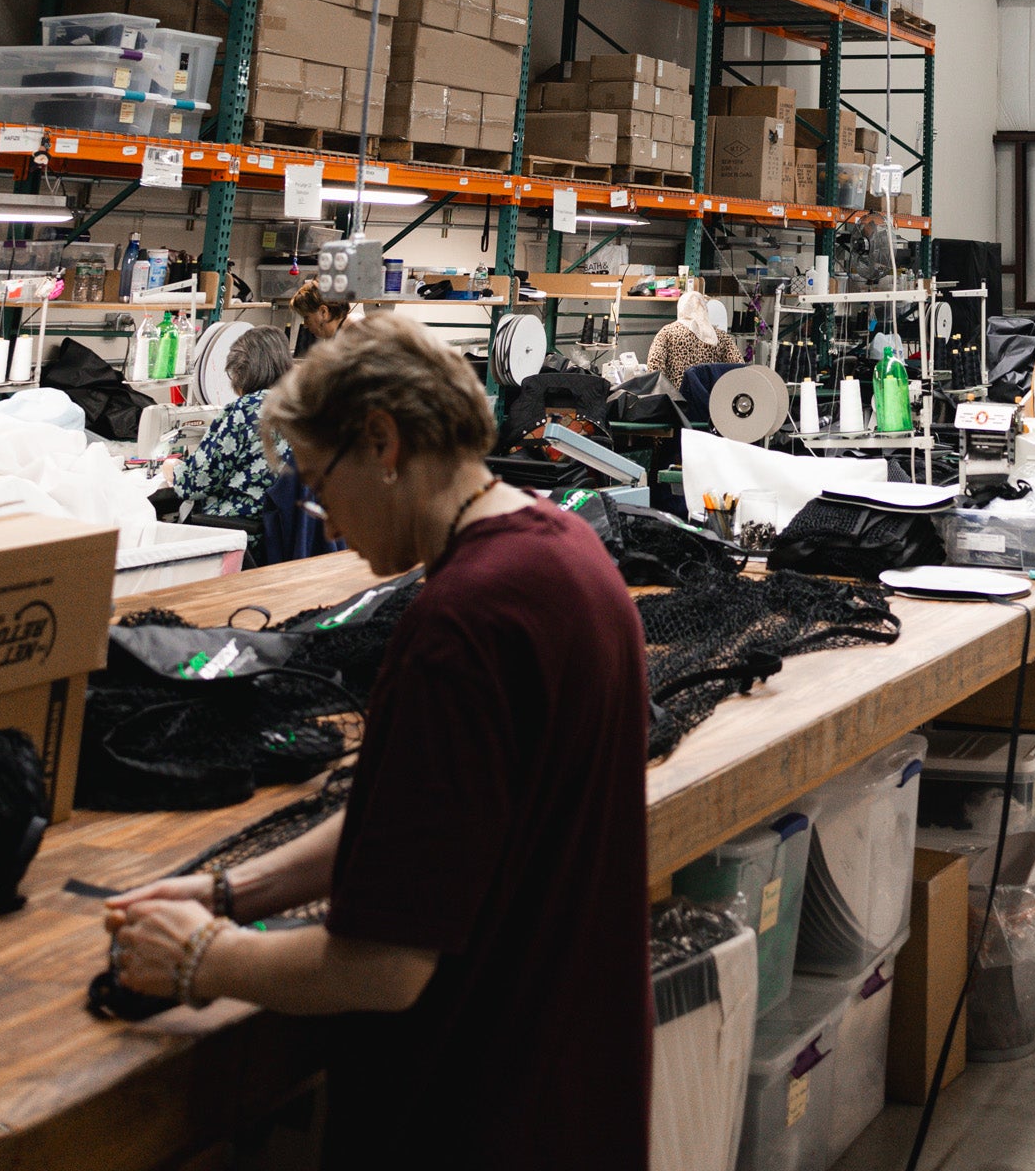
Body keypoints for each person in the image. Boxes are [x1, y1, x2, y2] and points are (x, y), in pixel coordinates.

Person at [104, 318, 652, 1170]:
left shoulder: (463, 623)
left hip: (474, 1111)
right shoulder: (562, 550)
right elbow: (415, 812)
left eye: (321, 483)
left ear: (383, 442)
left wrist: (205, 960)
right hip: (569, 1079)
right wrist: (230, 893)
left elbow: (383, 969)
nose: (325, 519)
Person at [169, 327, 293, 559]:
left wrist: (173, 470)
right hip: (289, 532)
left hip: (242, 535)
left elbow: (195, 482)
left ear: (242, 372)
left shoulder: (244, 410)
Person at [645, 283, 739, 384]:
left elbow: (654, 365)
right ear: (704, 308)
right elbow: (739, 367)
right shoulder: (721, 337)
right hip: (711, 397)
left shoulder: (667, 333)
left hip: (678, 397)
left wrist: (666, 393)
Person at [289, 278, 352, 357]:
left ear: (323, 312)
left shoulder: (355, 335)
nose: (305, 325)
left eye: (306, 317)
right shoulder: (342, 336)